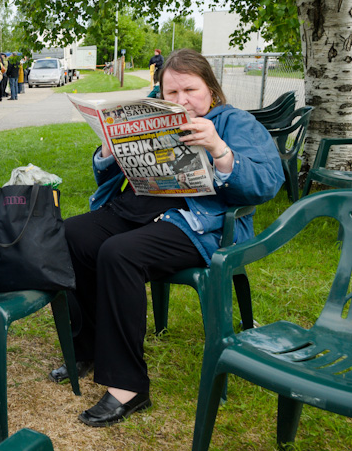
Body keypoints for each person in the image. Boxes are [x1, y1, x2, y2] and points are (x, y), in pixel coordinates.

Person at [48, 48, 284, 427]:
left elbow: (267, 183)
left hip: (197, 223)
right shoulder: (156, 117)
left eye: (189, 90)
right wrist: (109, 153)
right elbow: (111, 179)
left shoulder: (233, 122)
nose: (181, 101)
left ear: (211, 88)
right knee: (71, 235)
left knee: (119, 253)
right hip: (137, 209)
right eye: (170, 94)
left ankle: (128, 386)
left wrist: (220, 151)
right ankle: (86, 346)